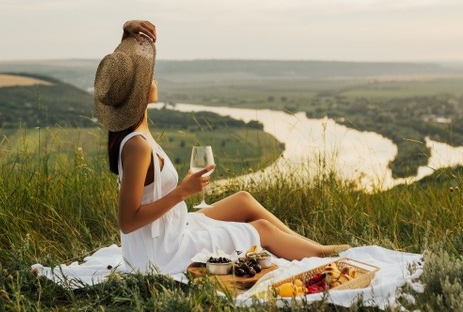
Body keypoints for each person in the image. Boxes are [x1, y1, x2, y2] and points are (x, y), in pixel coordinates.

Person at [94, 20, 350, 274]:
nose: (154, 80)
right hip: (162, 253)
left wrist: (127, 31)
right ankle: (320, 255)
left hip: (171, 229)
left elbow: (119, 74)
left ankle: (312, 247)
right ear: (137, 94)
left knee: (243, 200)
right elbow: (128, 222)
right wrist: (183, 191)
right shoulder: (137, 146)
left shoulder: (136, 132)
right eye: (148, 78)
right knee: (262, 229)